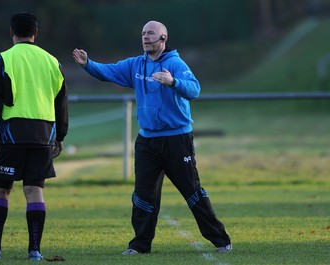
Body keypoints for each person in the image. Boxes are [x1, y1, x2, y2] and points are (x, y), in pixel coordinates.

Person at [73, 20, 231, 255]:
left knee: (192, 192)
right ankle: (139, 245)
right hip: (147, 142)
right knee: (143, 196)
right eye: (143, 34)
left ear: (163, 39)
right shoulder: (136, 65)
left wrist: (173, 82)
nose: (146, 38)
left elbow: (194, 89)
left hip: (177, 140)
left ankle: (221, 240)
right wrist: (88, 64)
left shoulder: (175, 64)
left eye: (151, 34)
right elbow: (109, 71)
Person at [0, 11, 68, 260]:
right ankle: (34, 251)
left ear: (11, 32)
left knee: (1, 191)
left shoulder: (3, 60)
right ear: (35, 33)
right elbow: (61, 102)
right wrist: (60, 135)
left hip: (11, 136)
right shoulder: (52, 61)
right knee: (34, 191)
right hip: (43, 136)